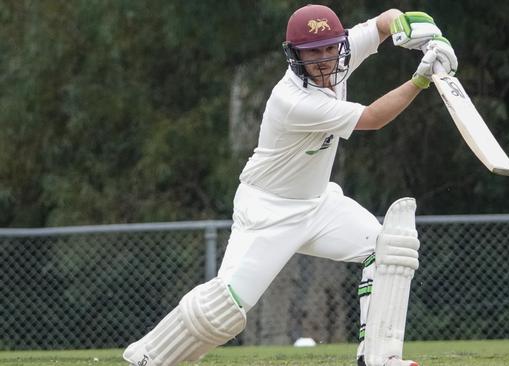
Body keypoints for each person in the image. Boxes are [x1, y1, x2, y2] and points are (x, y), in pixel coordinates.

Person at [123, 4, 457, 366]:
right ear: (294, 54)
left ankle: (378, 359)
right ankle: (149, 357)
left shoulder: (338, 55)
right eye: (313, 52)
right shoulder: (293, 100)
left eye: (330, 48)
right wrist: (422, 80)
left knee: (390, 249)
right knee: (221, 312)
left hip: (319, 205)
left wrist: (418, 35)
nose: (325, 59)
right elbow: (373, 118)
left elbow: (385, 19)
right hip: (268, 211)